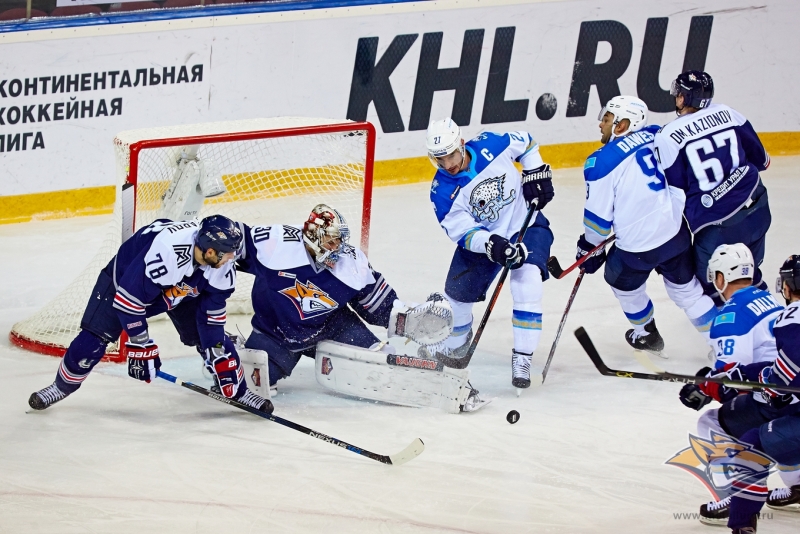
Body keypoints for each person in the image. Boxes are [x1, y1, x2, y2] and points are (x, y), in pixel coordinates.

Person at [28, 216, 273, 414]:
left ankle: (238, 390)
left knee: (204, 335)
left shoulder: (220, 266)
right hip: (127, 280)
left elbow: (211, 317)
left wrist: (217, 349)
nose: (233, 258)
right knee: (93, 340)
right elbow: (128, 302)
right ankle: (60, 387)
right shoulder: (167, 253)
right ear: (210, 252)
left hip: (179, 284)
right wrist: (142, 343)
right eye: (228, 252)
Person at [234, 205, 474, 407]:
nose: (338, 247)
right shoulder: (277, 244)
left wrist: (406, 320)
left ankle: (438, 386)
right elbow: (232, 243)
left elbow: (378, 304)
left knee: (380, 364)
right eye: (331, 241)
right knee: (254, 383)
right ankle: (231, 346)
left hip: (332, 326)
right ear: (314, 238)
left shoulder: (350, 263)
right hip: (275, 333)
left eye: (340, 240)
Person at [576, 95, 716, 354]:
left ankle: (647, 335)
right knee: (688, 291)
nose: (600, 125)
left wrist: (589, 249)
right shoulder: (656, 134)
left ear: (622, 125)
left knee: (621, 283)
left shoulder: (600, 163)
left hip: (638, 248)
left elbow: (598, 225)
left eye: (606, 120)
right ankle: (721, 344)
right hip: (675, 234)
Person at [423, 117, 554, 389]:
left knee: (526, 283)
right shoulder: (441, 191)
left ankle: (523, 357)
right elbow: (463, 232)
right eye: (439, 159)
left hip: (525, 226)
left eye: (450, 155)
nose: (447, 164)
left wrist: (535, 172)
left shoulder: (491, 144)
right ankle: (455, 347)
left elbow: (527, 143)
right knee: (456, 298)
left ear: (461, 143)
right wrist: (491, 244)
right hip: (486, 242)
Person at [677, 247, 800, 530]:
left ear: (720, 278)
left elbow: (733, 381)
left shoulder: (729, 316)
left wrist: (708, 388)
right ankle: (798, 484)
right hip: (787, 388)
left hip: (777, 392)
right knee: (781, 430)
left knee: (712, 422)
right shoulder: (768, 299)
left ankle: (736, 497)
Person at [654, 71, 771, 304]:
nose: (676, 97)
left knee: (715, 286)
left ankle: (732, 336)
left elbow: (676, 192)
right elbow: (763, 161)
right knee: (748, 277)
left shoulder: (668, 136)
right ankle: (771, 329)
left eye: (679, 93)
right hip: (758, 209)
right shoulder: (728, 113)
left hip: (717, 227)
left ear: (685, 98)